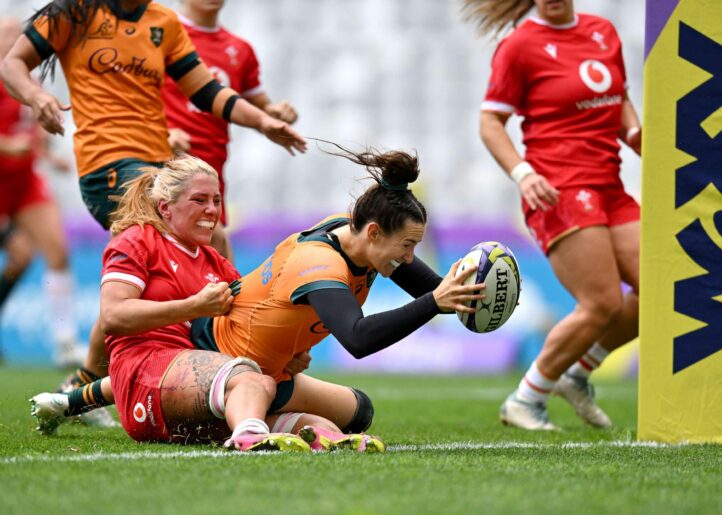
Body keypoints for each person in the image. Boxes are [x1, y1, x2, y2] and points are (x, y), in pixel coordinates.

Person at [31, 145, 486, 450]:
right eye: (201, 201)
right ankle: (250, 436)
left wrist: (473, 292)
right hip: (213, 360)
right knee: (251, 381)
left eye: (217, 200)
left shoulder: (219, 258)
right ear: (371, 232)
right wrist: (436, 303)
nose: (213, 211)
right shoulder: (318, 262)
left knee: (358, 411)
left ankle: (73, 400)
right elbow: (359, 339)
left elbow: (430, 286)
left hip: (230, 362)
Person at [0, 0, 306, 404]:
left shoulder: (162, 22)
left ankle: (82, 387)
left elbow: (208, 91)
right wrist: (36, 97)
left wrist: (262, 121)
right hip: (108, 169)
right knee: (195, 247)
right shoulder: (72, 13)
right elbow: (11, 64)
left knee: (208, 248)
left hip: (157, 165)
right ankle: (96, 382)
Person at [467, 0, 641, 429]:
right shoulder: (520, 46)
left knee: (662, 287)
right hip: (557, 190)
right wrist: (523, 173)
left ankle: (577, 373)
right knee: (601, 301)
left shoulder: (603, 31)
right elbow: (491, 122)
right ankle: (526, 398)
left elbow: (619, 97)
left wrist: (635, 131)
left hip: (610, 187)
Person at [163, 0, 299, 260]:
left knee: (215, 256)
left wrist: (275, 114)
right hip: (162, 167)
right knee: (148, 248)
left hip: (211, 170)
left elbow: (256, 108)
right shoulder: (160, 35)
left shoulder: (240, 49)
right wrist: (159, 133)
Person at [0, 15, 87, 368]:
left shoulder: (28, 81)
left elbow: (31, 133)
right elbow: (13, 139)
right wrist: (8, 148)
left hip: (23, 182)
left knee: (56, 250)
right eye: (5, 35)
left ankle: (65, 343)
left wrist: (51, 158)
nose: (12, 41)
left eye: (16, 36)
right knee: (20, 253)